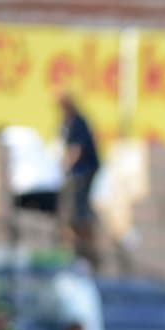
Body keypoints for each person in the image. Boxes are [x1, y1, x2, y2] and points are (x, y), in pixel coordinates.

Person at [58, 93, 101, 267]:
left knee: (79, 212)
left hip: (83, 172)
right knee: (72, 212)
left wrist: (65, 165)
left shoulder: (78, 122)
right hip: (76, 173)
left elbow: (77, 148)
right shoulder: (67, 123)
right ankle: (77, 250)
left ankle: (86, 252)